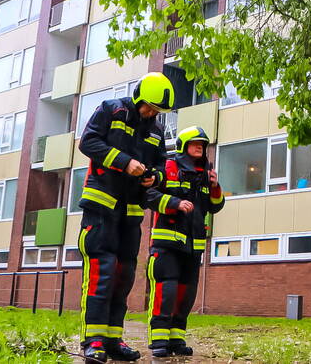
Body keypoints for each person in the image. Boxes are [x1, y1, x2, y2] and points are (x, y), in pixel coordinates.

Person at [77, 72, 174, 363]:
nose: (151, 113)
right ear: (138, 97)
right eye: (149, 107)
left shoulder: (156, 130)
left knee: (124, 275)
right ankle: (92, 341)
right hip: (101, 206)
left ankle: (112, 339)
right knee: (101, 271)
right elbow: (88, 143)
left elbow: (161, 165)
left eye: (157, 111)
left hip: (131, 213)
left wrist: (153, 177)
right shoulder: (111, 109)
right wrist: (124, 162)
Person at [144, 125, 224, 358]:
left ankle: (176, 339)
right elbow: (148, 195)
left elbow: (215, 206)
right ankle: (158, 340)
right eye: (195, 142)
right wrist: (174, 203)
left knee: (186, 295)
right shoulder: (168, 167)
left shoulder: (205, 173)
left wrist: (215, 186)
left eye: (203, 144)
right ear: (183, 146)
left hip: (193, 246)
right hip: (166, 243)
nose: (200, 146)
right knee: (166, 290)